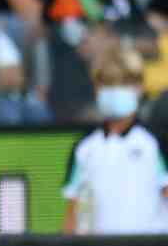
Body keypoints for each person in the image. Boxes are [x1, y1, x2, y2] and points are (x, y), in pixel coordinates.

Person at [62, 46, 168, 234]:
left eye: (124, 83)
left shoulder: (157, 143)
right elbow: (73, 213)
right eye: (108, 84)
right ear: (96, 89)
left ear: (140, 88)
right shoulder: (84, 148)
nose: (115, 91)